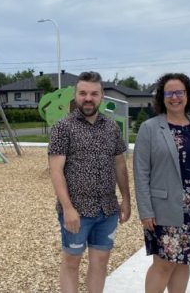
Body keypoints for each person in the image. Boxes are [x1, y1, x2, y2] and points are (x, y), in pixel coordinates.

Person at [134, 73, 190, 293]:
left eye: (179, 92)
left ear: (188, 95)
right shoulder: (150, 128)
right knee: (164, 264)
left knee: (185, 261)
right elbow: (141, 172)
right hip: (165, 208)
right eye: (169, 93)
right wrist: (145, 210)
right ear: (162, 97)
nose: (175, 97)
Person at [48, 71, 131, 293]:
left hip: (107, 210)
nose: (88, 98)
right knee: (71, 262)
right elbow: (56, 171)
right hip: (77, 211)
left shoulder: (112, 127)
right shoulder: (62, 128)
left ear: (102, 96)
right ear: (75, 95)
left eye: (94, 94)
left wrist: (126, 200)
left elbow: (120, 165)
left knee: (101, 262)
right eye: (83, 93)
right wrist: (67, 209)